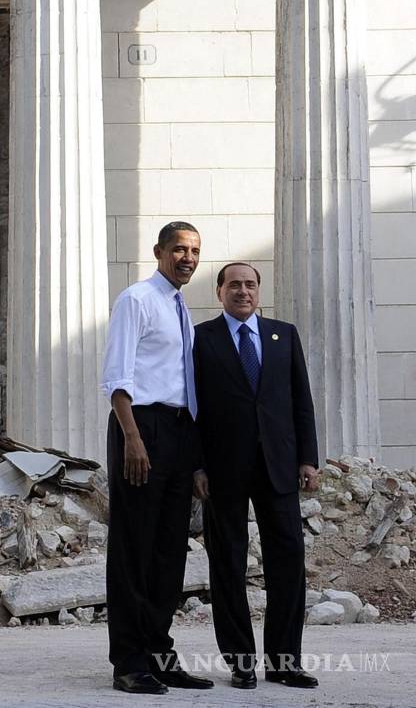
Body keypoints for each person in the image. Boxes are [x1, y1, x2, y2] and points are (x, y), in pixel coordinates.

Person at [192, 262, 320, 689]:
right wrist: (197, 465)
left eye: (250, 284)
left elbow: (301, 400)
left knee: (288, 563)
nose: (242, 291)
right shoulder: (201, 339)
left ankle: (285, 662)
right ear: (220, 291)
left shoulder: (284, 335)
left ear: (259, 291)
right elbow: (191, 408)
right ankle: (241, 662)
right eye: (234, 285)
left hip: (279, 467)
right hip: (223, 471)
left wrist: (308, 459)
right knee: (227, 565)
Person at [101, 221, 213, 694]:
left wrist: (195, 457)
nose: (187, 258)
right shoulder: (137, 300)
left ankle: (158, 652)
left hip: (178, 432)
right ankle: (129, 661)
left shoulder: (179, 304)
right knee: (134, 548)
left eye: (194, 251)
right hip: (140, 425)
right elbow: (117, 377)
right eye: (179, 250)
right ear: (158, 252)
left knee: (169, 550)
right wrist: (132, 438)